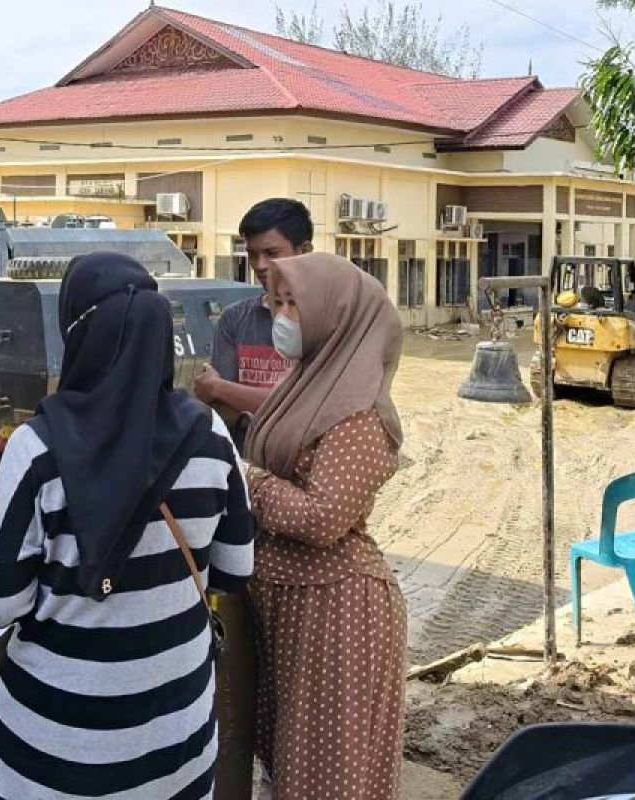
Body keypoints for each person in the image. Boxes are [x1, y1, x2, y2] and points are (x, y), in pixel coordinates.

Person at [0, 252, 255, 799]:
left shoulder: (37, 449)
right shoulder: (212, 436)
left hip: (59, 757)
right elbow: (233, 572)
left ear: (80, 337)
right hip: (179, 744)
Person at [244, 252, 407, 800]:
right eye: (280, 301)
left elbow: (324, 519)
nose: (283, 314)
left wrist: (250, 483)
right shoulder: (305, 388)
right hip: (296, 609)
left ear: (336, 318)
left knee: (321, 782)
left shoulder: (358, 413)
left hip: (336, 615)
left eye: (296, 303)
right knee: (287, 770)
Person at [193, 198, 312, 415]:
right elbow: (222, 409)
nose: (260, 265)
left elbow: (306, 407)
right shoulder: (234, 319)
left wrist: (219, 387)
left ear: (303, 250)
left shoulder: (331, 321)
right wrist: (222, 392)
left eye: (272, 253)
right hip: (243, 448)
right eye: (252, 254)